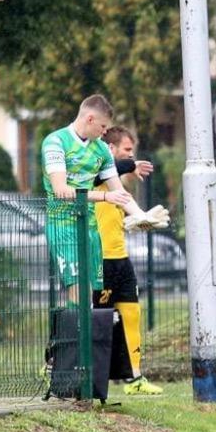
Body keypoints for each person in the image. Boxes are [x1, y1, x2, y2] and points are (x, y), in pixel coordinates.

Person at [42, 95, 161, 303]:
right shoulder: (56, 142)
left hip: (90, 228)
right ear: (90, 119)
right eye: (103, 126)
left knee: (90, 296)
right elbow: (61, 191)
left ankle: (79, 325)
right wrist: (105, 196)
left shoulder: (101, 149)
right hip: (63, 227)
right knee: (79, 291)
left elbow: (119, 192)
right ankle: (74, 325)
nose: (105, 132)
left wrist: (141, 216)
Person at [92, 127, 164, 395]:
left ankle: (135, 378)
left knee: (132, 315)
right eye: (127, 149)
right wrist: (131, 165)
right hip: (99, 260)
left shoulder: (117, 186)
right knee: (95, 321)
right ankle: (57, 364)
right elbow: (109, 170)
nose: (131, 155)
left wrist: (138, 221)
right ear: (110, 149)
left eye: (132, 151)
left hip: (121, 260)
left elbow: (119, 217)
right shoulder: (95, 170)